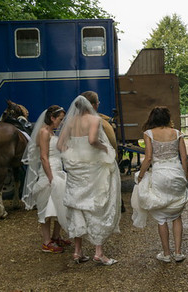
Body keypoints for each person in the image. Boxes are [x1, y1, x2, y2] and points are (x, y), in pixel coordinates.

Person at [57, 94, 121, 266]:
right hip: (92, 169)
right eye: (98, 101)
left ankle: (78, 252)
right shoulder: (94, 119)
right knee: (95, 207)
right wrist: (104, 147)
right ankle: (99, 253)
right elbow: (92, 140)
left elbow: (59, 145)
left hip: (76, 170)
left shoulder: (70, 122)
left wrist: (73, 153)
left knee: (77, 206)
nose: (99, 104)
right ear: (92, 104)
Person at [131, 107, 188, 263]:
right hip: (176, 173)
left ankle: (166, 254)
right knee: (177, 215)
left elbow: (148, 158)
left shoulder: (149, 134)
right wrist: (185, 177)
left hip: (160, 175)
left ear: (152, 118)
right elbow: (184, 158)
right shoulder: (177, 133)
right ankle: (178, 253)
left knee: (162, 217)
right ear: (167, 118)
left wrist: (141, 175)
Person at [21, 105, 69, 253]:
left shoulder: (52, 132)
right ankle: (46, 241)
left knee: (61, 205)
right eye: (59, 119)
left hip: (58, 170)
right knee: (46, 207)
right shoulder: (43, 132)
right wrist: (50, 177)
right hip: (49, 172)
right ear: (52, 118)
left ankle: (56, 236)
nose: (61, 122)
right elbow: (43, 156)